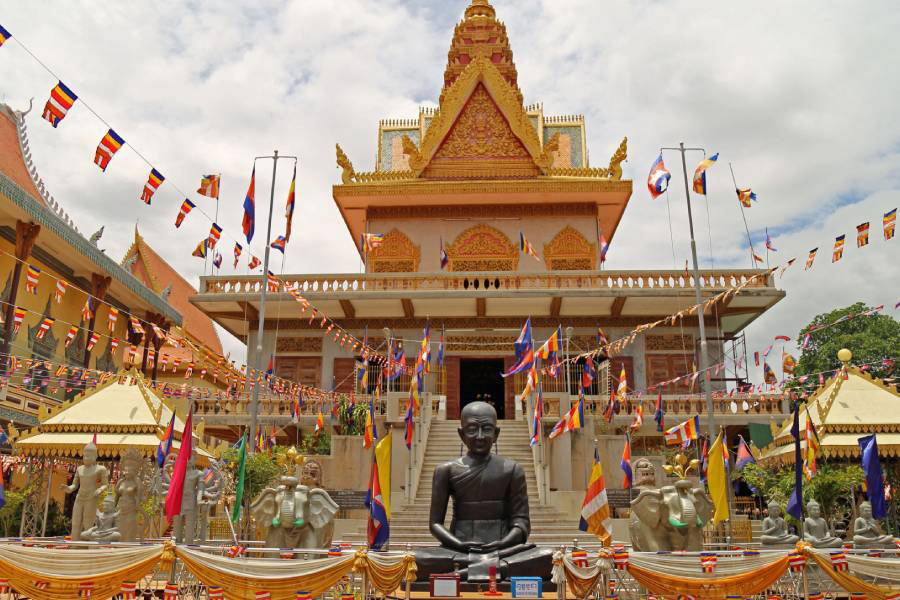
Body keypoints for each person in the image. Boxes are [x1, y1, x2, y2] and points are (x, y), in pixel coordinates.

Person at [415, 401, 552, 581]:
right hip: (460, 549)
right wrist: (460, 544)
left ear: (496, 434)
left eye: (486, 429)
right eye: (472, 429)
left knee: (545, 556)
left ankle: (466, 572)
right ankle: (494, 570)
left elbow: (521, 522)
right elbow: (435, 524)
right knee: (418, 559)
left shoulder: (512, 469)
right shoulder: (445, 471)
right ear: (461, 434)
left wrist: (504, 543)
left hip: (503, 549)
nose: (479, 436)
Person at [63, 440, 109, 540]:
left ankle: (87, 545)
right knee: (75, 522)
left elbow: (105, 485)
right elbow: (74, 485)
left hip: (91, 497)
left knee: (88, 523)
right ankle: (75, 545)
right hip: (79, 498)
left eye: (89, 456)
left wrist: (99, 490)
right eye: (84, 456)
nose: (86, 458)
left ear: (95, 457)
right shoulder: (80, 469)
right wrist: (68, 488)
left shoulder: (100, 469)